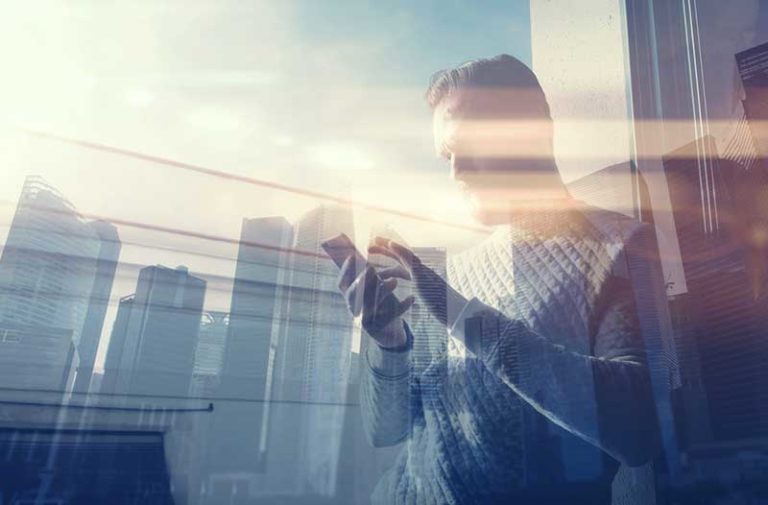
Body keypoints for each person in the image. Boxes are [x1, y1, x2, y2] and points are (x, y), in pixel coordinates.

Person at [336, 54, 661, 504]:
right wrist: (389, 344)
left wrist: (455, 310)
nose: (455, 172)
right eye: (446, 155)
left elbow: (637, 429)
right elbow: (387, 431)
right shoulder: (459, 269)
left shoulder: (618, 245)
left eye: (468, 145)